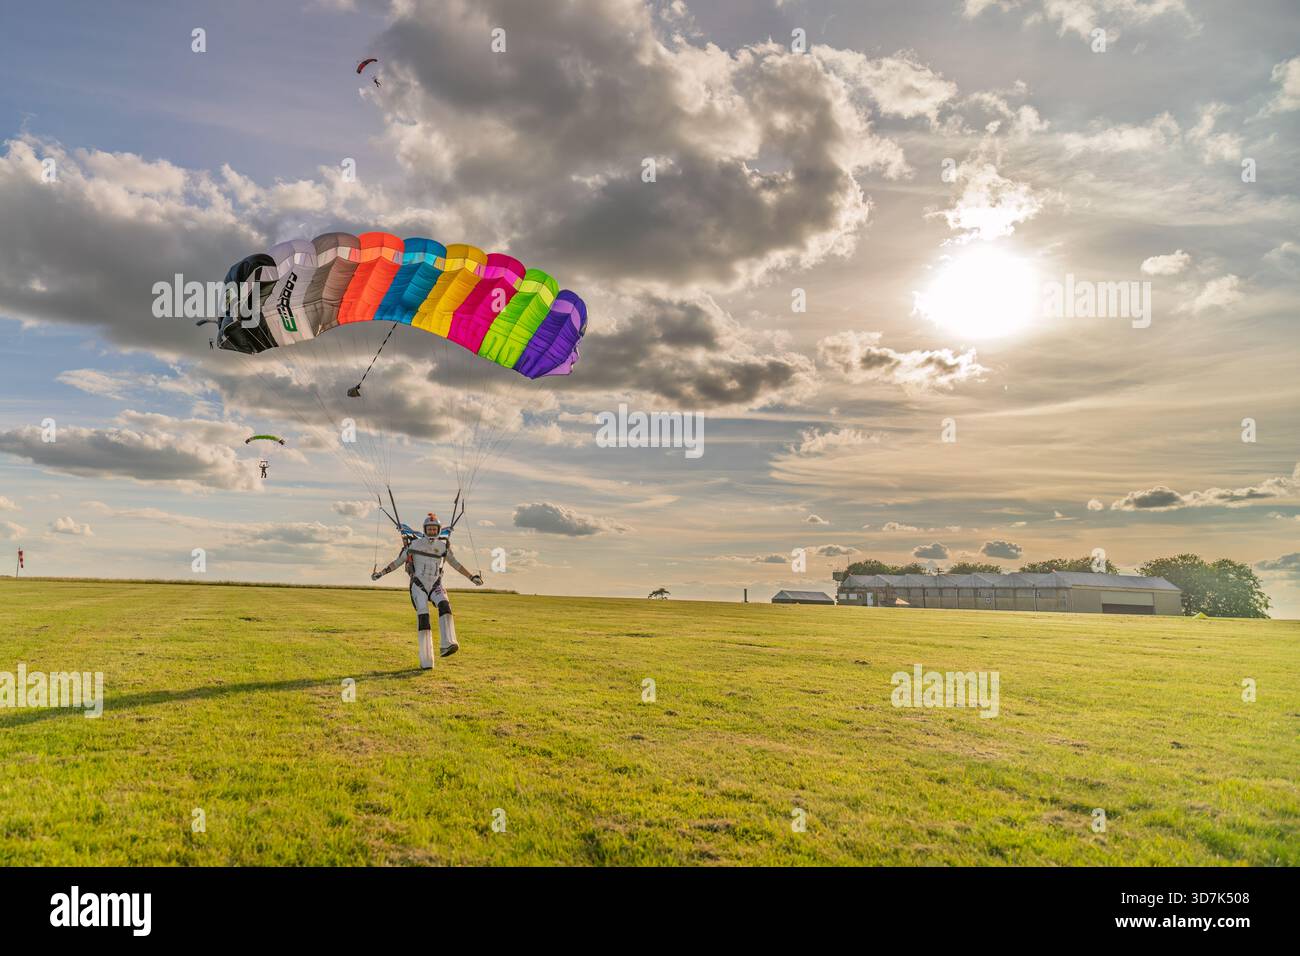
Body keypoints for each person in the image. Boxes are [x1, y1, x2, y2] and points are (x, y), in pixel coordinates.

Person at [372, 512, 483, 668]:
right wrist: (381, 573)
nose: (431, 532)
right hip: (418, 585)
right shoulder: (414, 546)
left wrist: (472, 577)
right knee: (423, 616)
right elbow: (397, 562)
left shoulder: (443, 547)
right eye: (429, 529)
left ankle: (448, 644)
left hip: (436, 584)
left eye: (434, 529)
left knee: (445, 605)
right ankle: (426, 660)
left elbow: (456, 564)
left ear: (438, 530)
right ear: (425, 529)